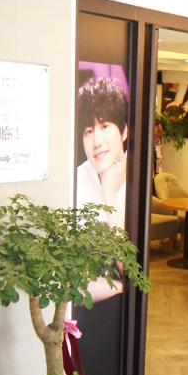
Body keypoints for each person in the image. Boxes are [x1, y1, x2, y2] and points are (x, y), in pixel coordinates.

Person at [76, 76, 129, 303]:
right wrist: (123, 288)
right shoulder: (76, 182)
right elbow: (71, 281)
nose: (96, 141)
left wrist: (109, 195)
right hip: (86, 310)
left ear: (124, 131)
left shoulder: (139, 182)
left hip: (128, 314)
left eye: (105, 126)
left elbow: (130, 268)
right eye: (89, 131)